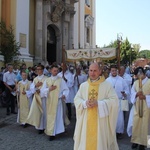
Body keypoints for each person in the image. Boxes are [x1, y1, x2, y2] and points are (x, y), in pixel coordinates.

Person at [74, 63, 119, 150]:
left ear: (99, 71)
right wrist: (84, 103)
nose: (92, 73)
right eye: (91, 70)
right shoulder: (83, 86)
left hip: (100, 121)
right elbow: (77, 99)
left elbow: (114, 101)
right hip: (86, 120)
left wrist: (99, 103)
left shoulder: (107, 85)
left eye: (95, 70)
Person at [41, 65, 69, 141]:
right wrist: (49, 89)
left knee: (57, 117)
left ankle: (57, 131)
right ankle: (51, 133)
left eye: (57, 71)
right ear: (50, 71)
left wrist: (64, 94)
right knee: (50, 117)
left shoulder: (61, 80)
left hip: (58, 102)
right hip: (49, 102)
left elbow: (66, 89)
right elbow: (42, 92)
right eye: (54, 70)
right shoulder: (47, 80)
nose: (55, 72)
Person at [129, 67, 150, 150]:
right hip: (137, 106)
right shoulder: (136, 83)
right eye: (137, 75)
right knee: (136, 124)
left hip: (147, 107)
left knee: (146, 125)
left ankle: (145, 143)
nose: (139, 76)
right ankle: (136, 141)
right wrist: (136, 94)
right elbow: (132, 93)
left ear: (144, 73)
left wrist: (145, 97)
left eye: (141, 74)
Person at [106, 65, 129, 139]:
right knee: (111, 117)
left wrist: (124, 93)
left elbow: (127, 89)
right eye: (112, 70)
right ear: (110, 71)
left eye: (115, 70)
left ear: (117, 71)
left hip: (119, 101)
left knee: (119, 118)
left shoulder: (121, 80)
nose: (114, 72)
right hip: (110, 102)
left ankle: (119, 132)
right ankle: (111, 132)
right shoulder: (107, 80)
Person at [26, 64, 47, 134]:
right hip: (37, 98)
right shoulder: (35, 79)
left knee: (45, 112)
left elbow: (47, 88)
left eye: (39, 69)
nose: (38, 71)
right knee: (38, 112)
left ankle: (45, 126)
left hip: (44, 98)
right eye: (37, 69)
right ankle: (40, 127)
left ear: (42, 70)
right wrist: (36, 86)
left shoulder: (46, 78)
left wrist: (41, 91)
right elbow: (31, 88)